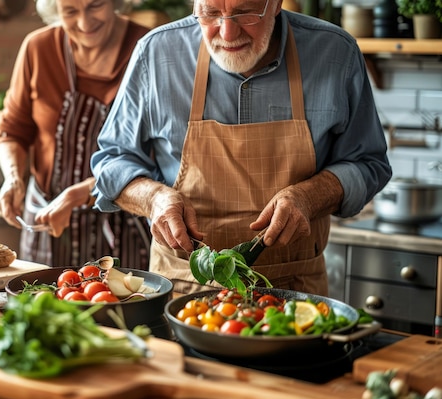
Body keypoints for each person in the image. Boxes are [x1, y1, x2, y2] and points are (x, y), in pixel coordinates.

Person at [91, 0, 392, 295]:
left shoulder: (335, 52)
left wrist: (310, 197)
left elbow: (368, 163)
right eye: (210, 14)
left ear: (275, 4)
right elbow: (113, 160)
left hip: (296, 294)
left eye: (245, 13)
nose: (227, 33)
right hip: (180, 287)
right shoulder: (156, 52)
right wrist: (154, 198)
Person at [0, 0, 151, 268]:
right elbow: (12, 130)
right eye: (70, 11)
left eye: (95, 5)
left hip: (125, 222)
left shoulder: (148, 47)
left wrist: (78, 194)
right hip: (48, 220)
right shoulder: (38, 48)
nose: (84, 23)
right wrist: (13, 178)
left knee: (119, 307)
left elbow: (156, 155)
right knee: (43, 306)